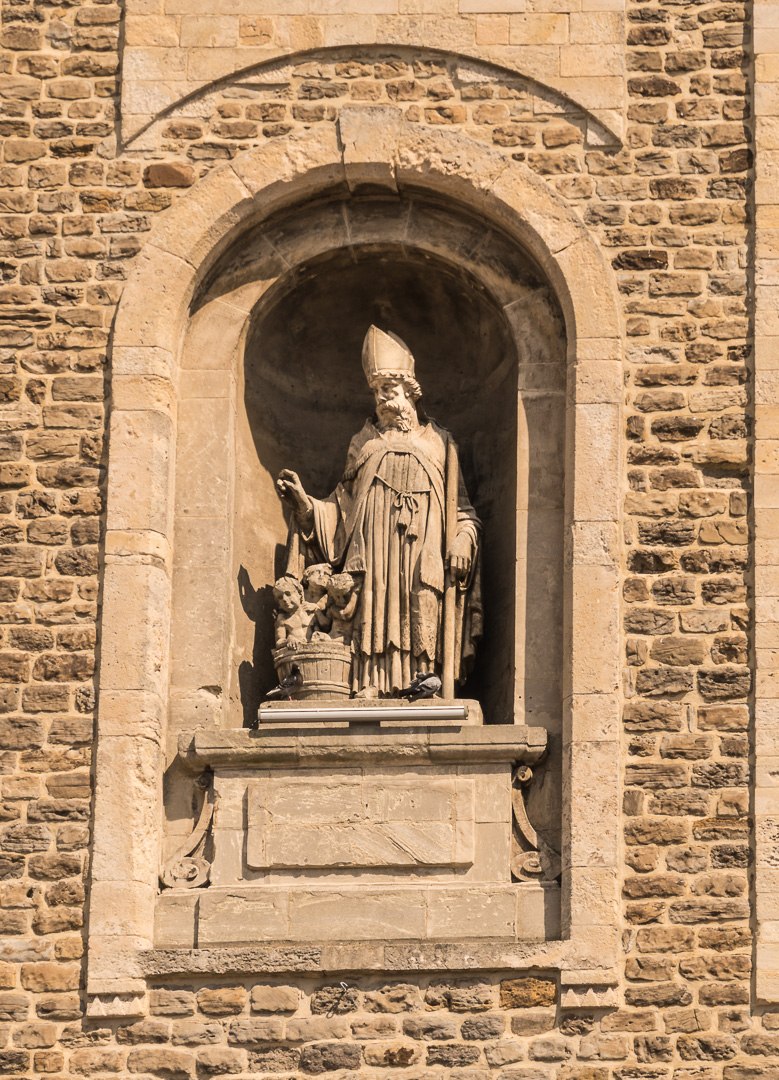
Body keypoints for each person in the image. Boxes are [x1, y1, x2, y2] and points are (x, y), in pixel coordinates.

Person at [277, 325, 481, 697]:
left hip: (424, 547)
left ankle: (423, 684)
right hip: (373, 552)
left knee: (422, 599)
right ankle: (370, 682)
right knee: (374, 600)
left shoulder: (441, 443)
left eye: (388, 390)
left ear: (410, 392)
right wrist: (307, 506)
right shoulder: (363, 442)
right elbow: (342, 507)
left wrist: (464, 540)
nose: (382, 400)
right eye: (376, 393)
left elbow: (463, 510)